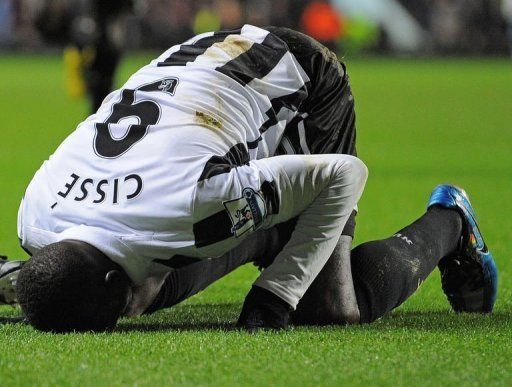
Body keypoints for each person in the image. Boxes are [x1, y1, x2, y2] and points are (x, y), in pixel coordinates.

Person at [1, 26, 497, 332]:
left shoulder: (192, 205)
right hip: (196, 70)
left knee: (329, 306)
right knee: (150, 282)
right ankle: (271, 229)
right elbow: (54, 277)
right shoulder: (34, 217)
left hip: (300, 84)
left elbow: (344, 174)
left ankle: (451, 220)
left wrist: (278, 292)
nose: (123, 319)